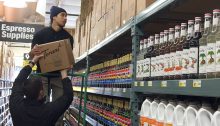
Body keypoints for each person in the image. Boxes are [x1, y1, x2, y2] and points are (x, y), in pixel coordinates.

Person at [29, 6, 74, 125]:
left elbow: (68, 59)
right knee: (40, 106)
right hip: (42, 76)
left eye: (66, 16)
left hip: (59, 78)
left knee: (59, 108)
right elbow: (31, 56)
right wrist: (33, 52)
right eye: (62, 15)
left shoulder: (68, 38)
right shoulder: (40, 35)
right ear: (54, 17)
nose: (65, 18)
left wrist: (69, 64)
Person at [9, 54, 73, 126]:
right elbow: (68, 96)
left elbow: (18, 81)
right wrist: (63, 72)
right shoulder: (48, 111)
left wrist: (32, 62)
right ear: (41, 92)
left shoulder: (16, 105)